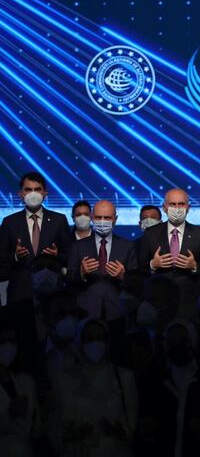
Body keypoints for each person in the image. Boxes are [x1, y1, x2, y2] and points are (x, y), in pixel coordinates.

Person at [0, 171, 71, 371]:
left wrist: (58, 256)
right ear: (20, 194)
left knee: (52, 353)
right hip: (20, 295)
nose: (33, 193)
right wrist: (15, 257)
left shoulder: (59, 220)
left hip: (51, 296)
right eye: (28, 189)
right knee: (23, 351)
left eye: (37, 190)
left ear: (45, 193)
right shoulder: (9, 223)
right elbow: (1, 263)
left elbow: (70, 255)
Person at [136, 319, 200, 457]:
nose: (177, 344)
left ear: (192, 341)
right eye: (171, 341)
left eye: (183, 339)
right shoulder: (155, 381)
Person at [52, 318, 137, 457]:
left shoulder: (124, 377)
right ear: (80, 341)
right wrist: (70, 435)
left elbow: (132, 426)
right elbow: (54, 428)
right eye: (89, 338)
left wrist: (119, 432)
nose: (95, 343)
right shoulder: (63, 379)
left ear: (108, 342)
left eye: (100, 337)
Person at [67, 200, 136, 345]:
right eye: (98, 218)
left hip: (117, 313)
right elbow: (69, 279)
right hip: (86, 312)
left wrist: (124, 276)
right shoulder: (78, 246)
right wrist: (81, 273)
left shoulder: (128, 246)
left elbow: (137, 283)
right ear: (92, 218)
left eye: (107, 218)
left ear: (115, 220)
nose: (102, 221)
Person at [137, 188, 200, 314]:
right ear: (164, 207)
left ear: (188, 207)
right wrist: (152, 265)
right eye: (173, 204)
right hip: (157, 299)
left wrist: (194, 266)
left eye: (181, 204)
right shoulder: (151, 233)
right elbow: (138, 268)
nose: (177, 208)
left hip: (188, 300)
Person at [0, 319, 41, 457]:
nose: (8, 346)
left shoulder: (27, 382)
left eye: (12, 341)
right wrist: (9, 415)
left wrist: (45, 415)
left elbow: (35, 429)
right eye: (2, 341)